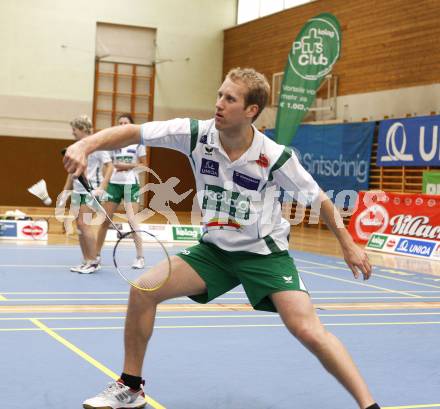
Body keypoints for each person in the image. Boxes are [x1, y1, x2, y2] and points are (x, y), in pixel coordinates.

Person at [64, 68, 380, 409]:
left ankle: (368, 405)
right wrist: (85, 143)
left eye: (230, 99)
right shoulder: (196, 134)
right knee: (143, 290)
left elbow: (319, 199)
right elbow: (133, 132)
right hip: (214, 251)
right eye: (219, 95)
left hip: (264, 255)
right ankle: (131, 387)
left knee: (307, 329)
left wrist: (348, 245)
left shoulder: (273, 157)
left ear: (250, 111)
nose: (219, 104)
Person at [95, 113, 147, 269]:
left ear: (131, 125)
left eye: (126, 122)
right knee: (105, 220)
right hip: (114, 185)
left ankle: (140, 257)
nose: (123, 125)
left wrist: (127, 167)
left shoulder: (138, 143)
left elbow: (144, 165)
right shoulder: (113, 143)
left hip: (131, 185)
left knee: (132, 221)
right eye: (120, 123)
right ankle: (96, 255)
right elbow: (108, 165)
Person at [62, 115, 113, 274]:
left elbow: (110, 166)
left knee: (85, 224)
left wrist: (102, 187)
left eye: (74, 130)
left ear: (83, 129)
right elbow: (71, 171)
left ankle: (93, 261)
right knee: (79, 225)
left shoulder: (97, 146)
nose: (73, 133)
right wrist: (66, 191)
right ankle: (86, 260)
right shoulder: (74, 147)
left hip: (91, 190)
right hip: (77, 190)